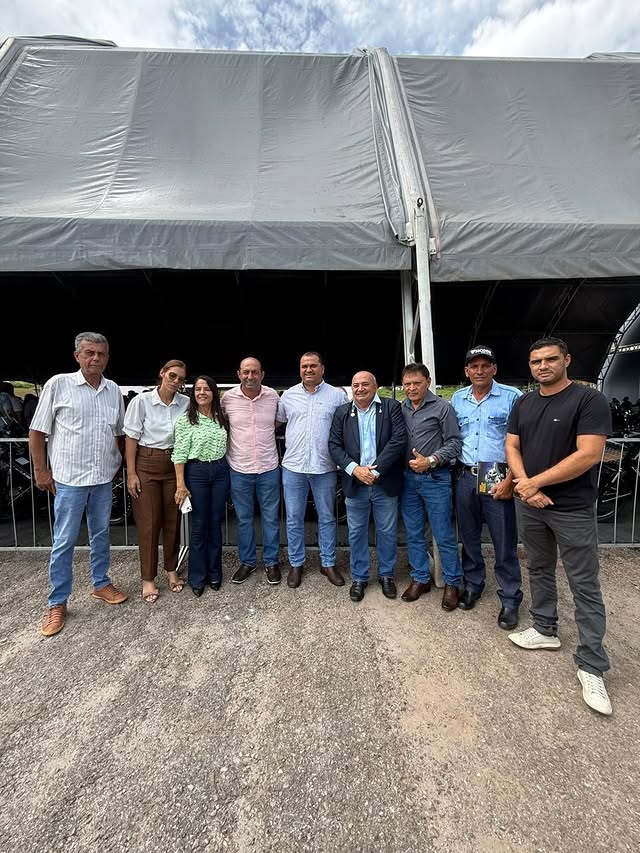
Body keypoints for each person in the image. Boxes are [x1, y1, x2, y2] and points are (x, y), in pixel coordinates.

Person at [505, 337, 613, 715]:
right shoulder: (524, 402)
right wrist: (525, 485)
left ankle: (592, 664)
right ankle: (545, 629)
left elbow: (589, 454)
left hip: (571, 509)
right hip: (531, 505)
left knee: (584, 584)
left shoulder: (588, 400)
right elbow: (512, 446)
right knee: (538, 568)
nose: (543, 366)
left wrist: (535, 483)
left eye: (550, 359)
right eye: (536, 361)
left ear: (567, 359)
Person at [29, 332, 128, 638]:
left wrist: (119, 465)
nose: (95, 358)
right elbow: (37, 431)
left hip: (102, 478)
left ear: (107, 357)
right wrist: (40, 470)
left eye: (101, 353)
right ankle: (57, 601)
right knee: (64, 540)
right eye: (89, 353)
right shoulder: (58, 384)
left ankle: (101, 583)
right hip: (69, 479)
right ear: (77, 356)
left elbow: (119, 433)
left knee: (101, 534)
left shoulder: (113, 390)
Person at [450, 346, 523, 629]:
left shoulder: (512, 397)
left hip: (497, 474)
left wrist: (511, 480)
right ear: (467, 371)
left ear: (494, 368)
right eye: (474, 366)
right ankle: (473, 584)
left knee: (503, 538)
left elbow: (521, 442)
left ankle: (510, 598)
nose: (479, 371)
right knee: (468, 536)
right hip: (465, 474)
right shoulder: (458, 398)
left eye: (485, 366)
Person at [329, 371, 407, 602]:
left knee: (387, 531)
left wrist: (375, 470)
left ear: (375, 386)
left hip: (384, 481)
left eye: (365, 384)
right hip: (355, 482)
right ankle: (359, 577)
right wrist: (355, 469)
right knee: (356, 532)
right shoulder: (342, 412)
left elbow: (398, 440)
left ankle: (386, 575)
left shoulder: (391, 407)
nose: (360, 388)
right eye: (355, 385)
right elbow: (334, 445)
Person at [276, 351, 347, 588]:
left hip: (325, 467)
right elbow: (278, 422)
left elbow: (346, 426)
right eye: (304, 366)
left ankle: (328, 563)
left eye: (313, 365)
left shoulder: (337, 396)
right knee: (294, 518)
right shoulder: (288, 395)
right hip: (293, 467)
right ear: (300, 369)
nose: (308, 369)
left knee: (327, 517)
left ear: (322, 368)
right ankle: (296, 564)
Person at [123, 360, 189, 603]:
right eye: (172, 376)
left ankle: (171, 570)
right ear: (162, 374)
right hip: (147, 464)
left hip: (174, 464)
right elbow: (131, 438)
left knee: (173, 521)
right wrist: (131, 473)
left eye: (181, 379)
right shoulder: (141, 401)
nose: (176, 381)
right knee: (149, 524)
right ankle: (148, 578)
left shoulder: (185, 403)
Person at [400, 362, 463, 610]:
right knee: (413, 532)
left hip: (436, 478)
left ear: (427, 381)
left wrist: (431, 460)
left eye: (416, 383)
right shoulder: (400, 408)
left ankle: (452, 583)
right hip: (407, 480)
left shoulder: (442, 408)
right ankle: (420, 578)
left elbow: (455, 443)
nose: (411, 388)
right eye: (407, 384)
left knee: (443, 534)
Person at [221, 357, 282, 585]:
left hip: (268, 467)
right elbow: (222, 423)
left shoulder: (273, 396)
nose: (250, 376)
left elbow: (277, 421)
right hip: (239, 468)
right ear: (239, 374)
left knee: (271, 519)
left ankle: (271, 562)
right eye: (246, 372)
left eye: (255, 372)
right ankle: (247, 562)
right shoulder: (227, 399)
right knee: (244, 519)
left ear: (262, 374)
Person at [172, 376, 229, 597]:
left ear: (214, 393)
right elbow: (179, 453)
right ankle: (197, 577)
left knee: (215, 524)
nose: (202, 393)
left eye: (206, 389)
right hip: (197, 473)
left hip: (220, 471)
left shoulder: (220, 418)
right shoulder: (186, 420)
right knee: (199, 525)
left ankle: (215, 573)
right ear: (193, 393)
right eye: (198, 389)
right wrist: (180, 484)